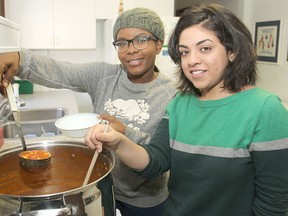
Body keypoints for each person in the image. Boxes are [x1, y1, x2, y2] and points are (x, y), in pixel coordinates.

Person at [84, 3, 288, 216]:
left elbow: (273, 204)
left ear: (232, 51)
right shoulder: (180, 104)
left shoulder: (265, 110)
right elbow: (156, 161)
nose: (192, 61)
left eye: (205, 48)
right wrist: (118, 142)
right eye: (184, 52)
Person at [0, 8, 177, 216]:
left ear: (158, 45)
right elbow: (60, 71)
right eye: (122, 43)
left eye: (141, 40)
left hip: (146, 202)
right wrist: (19, 59)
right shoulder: (103, 76)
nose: (131, 49)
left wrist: (123, 132)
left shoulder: (171, 95)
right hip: (102, 188)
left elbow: (162, 155)